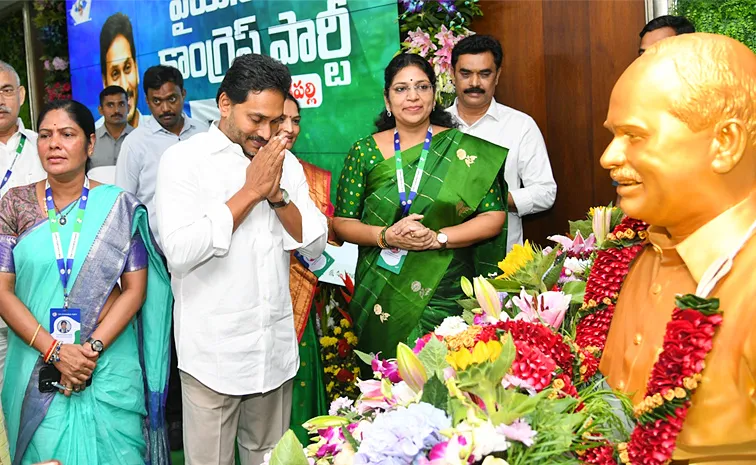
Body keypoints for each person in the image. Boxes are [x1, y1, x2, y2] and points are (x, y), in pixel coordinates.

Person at [155, 54, 327, 465]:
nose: (268, 132)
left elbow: (315, 247)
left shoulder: (286, 164)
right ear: (225, 105)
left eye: (276, 120)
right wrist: (250, 192)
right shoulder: (183, 161)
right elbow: (179, 253)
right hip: (212, 354)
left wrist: (277, 196)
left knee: (269, 458)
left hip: (272, 347)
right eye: (256, 119)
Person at [599, 33, 756, 462]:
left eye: (635, 135)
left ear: (725, 143)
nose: (608, 157)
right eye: (615, 135)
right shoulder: (633, 251)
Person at [0, 99, 172, 464]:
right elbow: (2, 290)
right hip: (36, 364)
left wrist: (90, 349)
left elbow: (135, 290)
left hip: (106, 363)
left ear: (89, 144)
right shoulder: (13, 205)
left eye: (67, 134)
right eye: (45, 135)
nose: (53, 144)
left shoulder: (120, 207)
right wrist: (55, 351)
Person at [333, 53, 509, 359]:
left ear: (434, 95)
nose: (412, 96)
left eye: (422, 87)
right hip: (382, 290)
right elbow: (342, 222)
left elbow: (494, 215)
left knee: (453, 378)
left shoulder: (464, 150)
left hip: (448, 288)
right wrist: (387, 236)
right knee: (387, 384)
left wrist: (438, 238)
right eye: (401, 89)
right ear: (387, 100)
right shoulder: (364, 152)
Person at [115, 64, 206, 450]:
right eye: (156, 102)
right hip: (155, 259)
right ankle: (169, 421)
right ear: (145, 102)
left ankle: (198, 415)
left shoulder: (203, 133)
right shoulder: (136, 144)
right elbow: (123, 203)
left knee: (198, 334)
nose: (166, 107)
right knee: (163, 339)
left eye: (171, 98)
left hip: (202, 253)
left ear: (183, 94)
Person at [447, 35, 555, 252]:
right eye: (466, 74)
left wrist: (492, 198)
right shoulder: (434, 126)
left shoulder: (520, 126)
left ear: (497, 76)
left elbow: (545, 193)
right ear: (452, 74)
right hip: (441, 260)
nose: (475, 83)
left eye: (484, 74)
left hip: (503, 263)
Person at [280, 93, 330, 446]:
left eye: (296, 121)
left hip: (298, 304)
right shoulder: (236, 171)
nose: (290, 128)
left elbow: (318, 243)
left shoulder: (306, 175)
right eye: (281, 119)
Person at [0, 60, 46, 392]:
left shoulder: (43, 146)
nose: (0, 100)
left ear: (22, 95)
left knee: (36, 384)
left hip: (37, 287)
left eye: (5, 90)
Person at [99, 12, 143, 128]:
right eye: (115, 74)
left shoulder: (158, 130)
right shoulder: (92, 138)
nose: (124, 85)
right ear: (105, 82)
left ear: (136, 70)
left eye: (127, 68)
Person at [89, 85, 132, 170]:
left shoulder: (139, 138)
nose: (116, 110)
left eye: (121, 104)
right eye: (110, 105)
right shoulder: (90, 141)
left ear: (128, 108)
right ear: (101, 110)